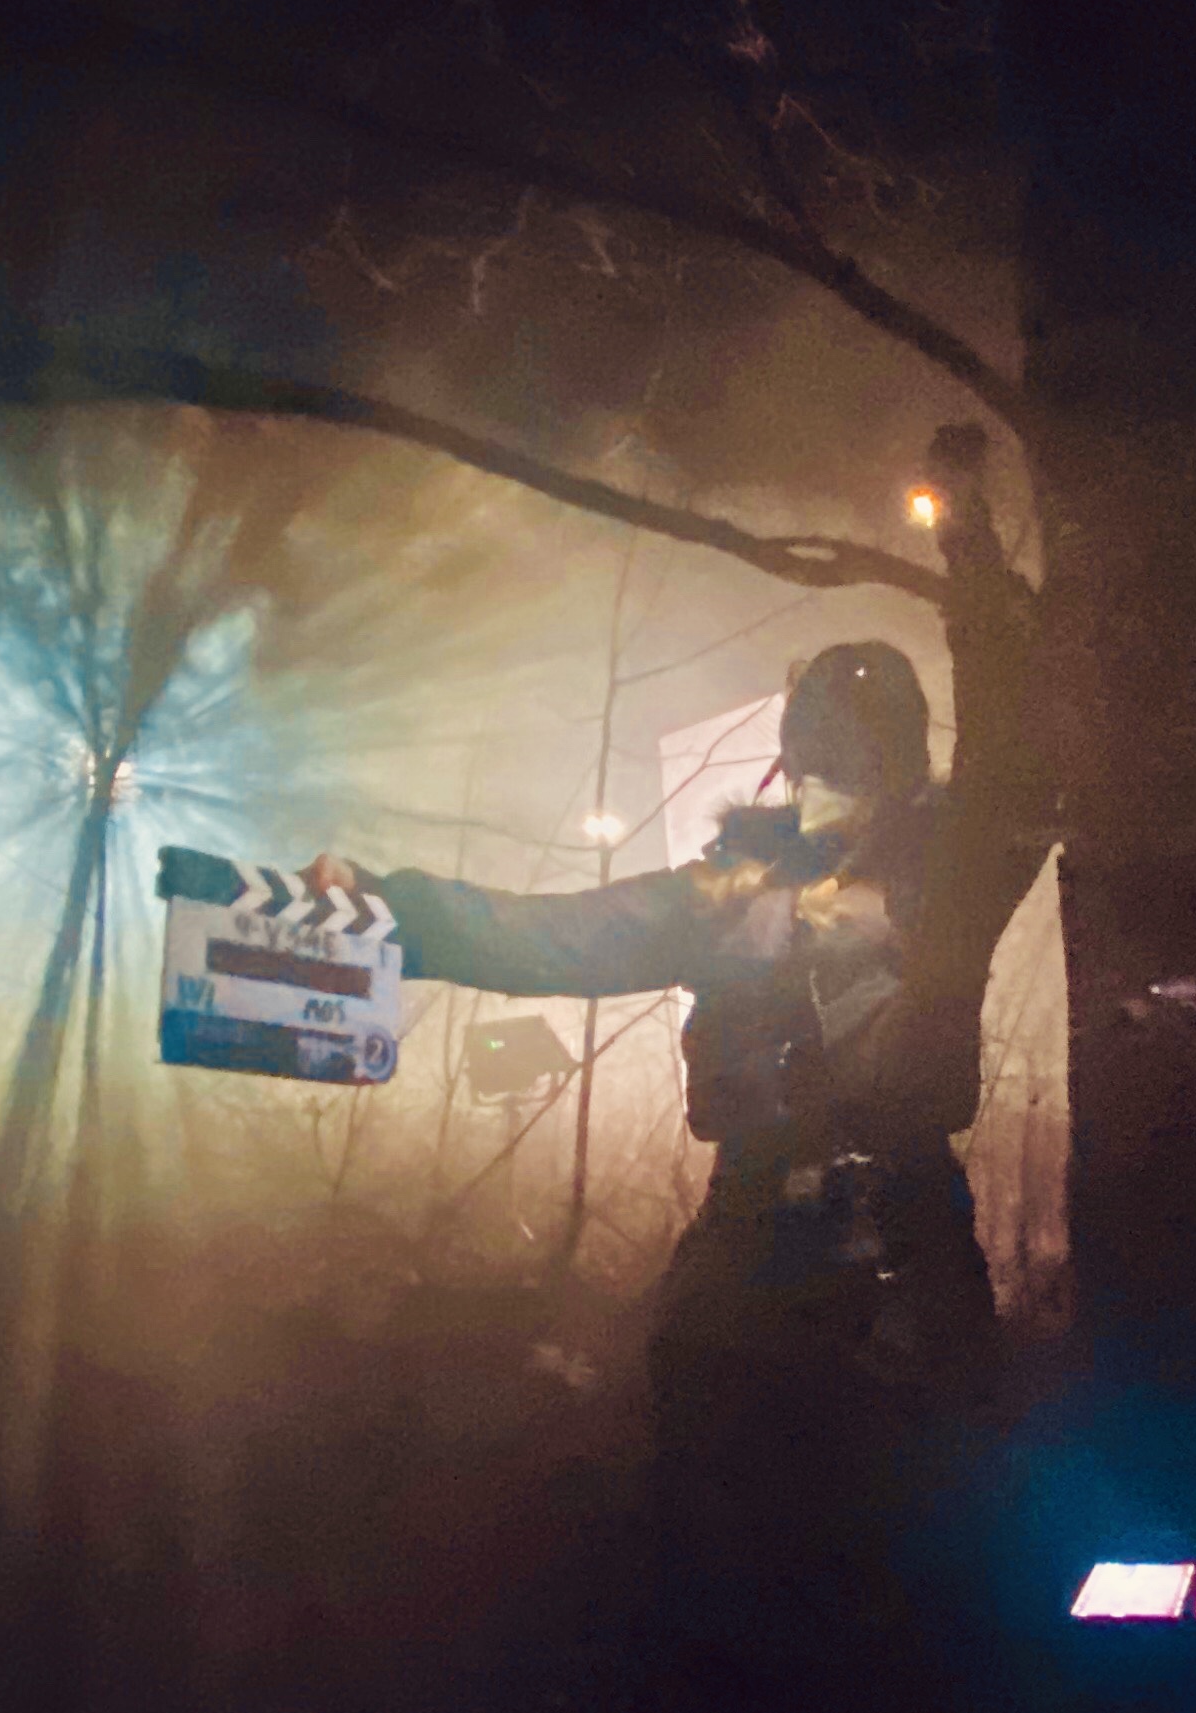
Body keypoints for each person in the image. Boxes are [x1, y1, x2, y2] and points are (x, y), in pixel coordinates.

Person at [311, 637, 996, 1574]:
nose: (838, 789)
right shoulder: (733, 896)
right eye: (826, 762)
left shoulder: (953, 881)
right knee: (716, 1502)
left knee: (936, 1527)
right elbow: (551, 937)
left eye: (863, 762)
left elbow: (1030, 790)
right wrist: (386, 907)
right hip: (761, 1226)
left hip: (907, 1231)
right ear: (797, 766)